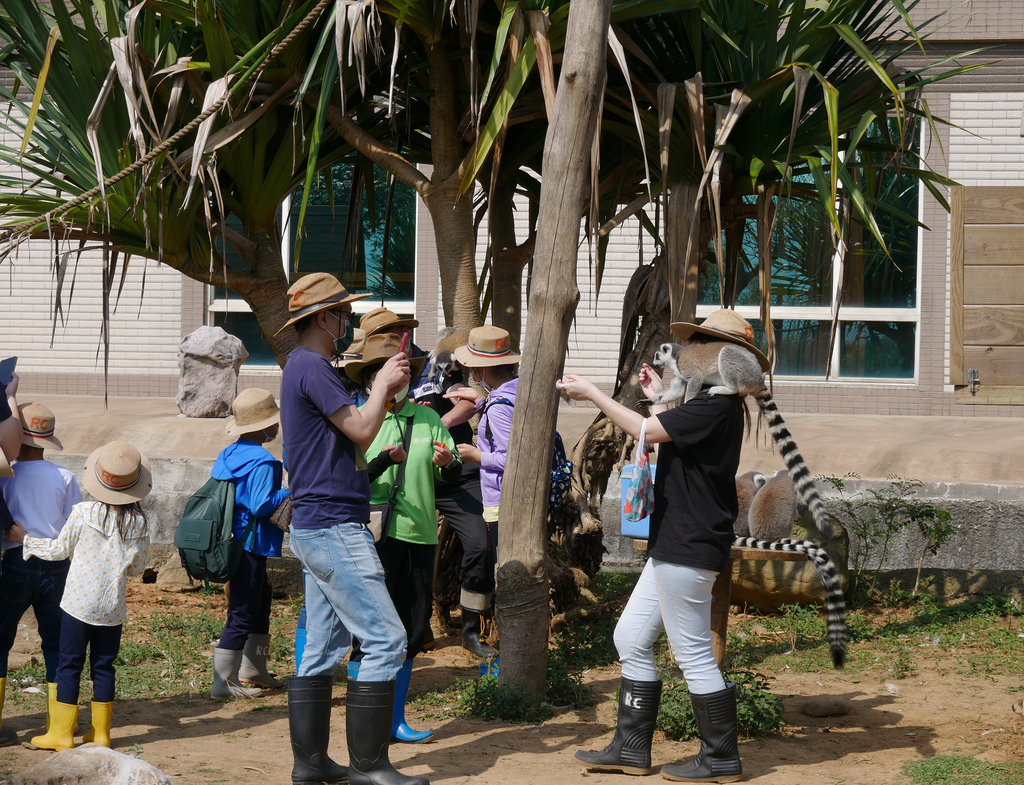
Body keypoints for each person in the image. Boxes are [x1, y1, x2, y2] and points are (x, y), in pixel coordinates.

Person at [560, 309, 761, 783]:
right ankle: (631, 749)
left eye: (701, 345)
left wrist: (592, 393)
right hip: (675, 541)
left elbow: (646, 433)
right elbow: (664, 428)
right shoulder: (708, 402)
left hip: (688, 543)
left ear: (723, 356)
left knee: (690, 652)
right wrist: (656, 398)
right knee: (629, 637)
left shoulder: (717, 405)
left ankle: (720, 758)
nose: (690, 353)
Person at [277, 272, 426, 785]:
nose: (348, 321)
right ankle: (371, 767)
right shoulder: (314, 367)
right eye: (342, 313)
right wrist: (383, 385)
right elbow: (362, 430)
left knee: (321, 645)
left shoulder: (305, 367)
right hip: (335, 526)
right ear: (324, 319)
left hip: (319, 523)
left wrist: (379, 393)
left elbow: (353, 446)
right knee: (386, 640)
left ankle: (311, 764)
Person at [345, 333, 461, 744]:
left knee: (412, 628)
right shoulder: (360, 418)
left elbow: (451, 468)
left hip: (421, 535)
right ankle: (365, 726)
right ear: (375, 377)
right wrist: (382, 459)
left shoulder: (428, 418)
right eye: (392, 372)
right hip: (376, 538)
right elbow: (352, 481)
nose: (400, 378)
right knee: (371, 630)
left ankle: (394, 721)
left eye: (406, 371)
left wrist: (448, 462)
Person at [7, 440, 151, 752]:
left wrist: (25, 539)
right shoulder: (139, 523)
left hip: (77, 605)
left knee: (69, 663)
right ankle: (101, 734)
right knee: (104, 666)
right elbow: (138, 567)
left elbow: (59, 549)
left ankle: (60, 734)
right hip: (112, 609)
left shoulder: (84, 513)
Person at [0, 403, 81, 747]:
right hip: (56, 566)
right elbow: (72, 527)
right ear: (48, 440)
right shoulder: (64, 477)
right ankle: (60, 725)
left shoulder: (7, 476)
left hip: (16, 562)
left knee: (1, 640)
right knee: (57, 644)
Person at [444, 326, 521, 656]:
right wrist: (480, 400)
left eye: (474, 368)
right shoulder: (514, 392)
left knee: (489, 561)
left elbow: (512, 457)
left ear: (482, 369)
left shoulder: (500, 407)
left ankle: (476, 629)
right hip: (510, 499)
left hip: (498, 499)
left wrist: (477, 455)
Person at [209, 388, 290, 699]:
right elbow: (260, 505)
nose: (277, 426)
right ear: (264, 427)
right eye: (274, 421)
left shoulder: (229, 454)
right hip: (251, 545)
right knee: (243, 611)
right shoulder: (265, 462)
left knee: (261, 600)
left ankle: (253, 669)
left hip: (230, 541)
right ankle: (223, 683)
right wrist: (289, 490)